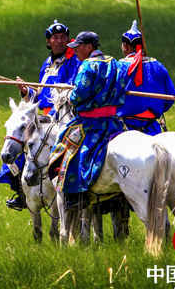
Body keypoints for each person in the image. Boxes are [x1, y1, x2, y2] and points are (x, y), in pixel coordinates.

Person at [0, 19, 81, 211]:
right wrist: (26, 91)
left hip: (62, 117)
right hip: (43, 118)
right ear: (48, 42)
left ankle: (70, 192)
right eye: (55, 38)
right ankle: (21, 190)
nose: (59, 41)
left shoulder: (74, 62)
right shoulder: (47, 64)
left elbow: (72, 92)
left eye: (63, 37)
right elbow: (40, 96)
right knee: (15, 141)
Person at [47, 31, 130, 210]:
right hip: (114, 122)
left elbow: (79, 95)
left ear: (88, 47)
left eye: (78, 47)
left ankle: (77, 194)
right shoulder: (115, 63)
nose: (75, 51)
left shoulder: (87, 66)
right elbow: (123, 85)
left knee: (66, 148)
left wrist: (69, 95)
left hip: (91, 123)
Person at [118, 20, 175, 135]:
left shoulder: (119, 67)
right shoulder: (158, 66)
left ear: (126, 46)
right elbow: (171, 96)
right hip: (152, 128)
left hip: (123, 127)